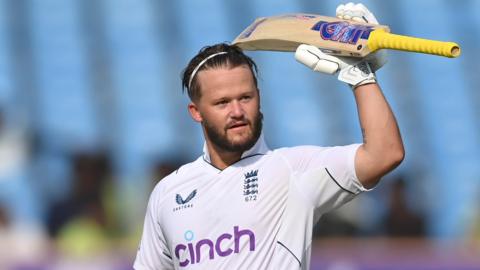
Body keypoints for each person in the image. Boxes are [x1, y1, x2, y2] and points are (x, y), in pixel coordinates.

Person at [134, 3, 404, 269]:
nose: (237, 111)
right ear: (196, 112)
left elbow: (385, 154)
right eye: (222, 103)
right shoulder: (168, 194)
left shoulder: (292, 171)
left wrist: (361, 77)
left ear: (259, 98)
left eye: (245, 97)